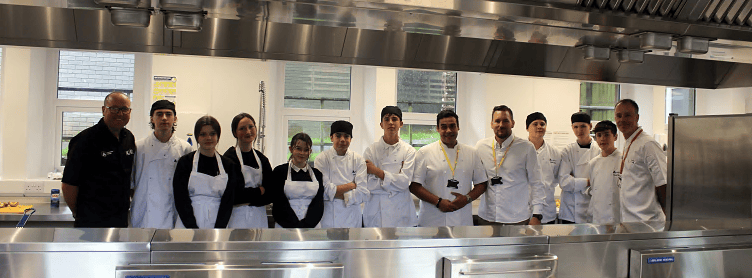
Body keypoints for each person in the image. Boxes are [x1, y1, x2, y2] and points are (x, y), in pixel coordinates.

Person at [62, 92, 136, 228]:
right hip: (91, 221)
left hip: (120, 219)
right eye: (114, 108)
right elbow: (68, 185)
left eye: (124, 109)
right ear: (104, 110)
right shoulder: (84, 140)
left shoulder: (129, 138)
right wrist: (80, 214)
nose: (120, 114)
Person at [410, 110, 487, 227]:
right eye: (443, 127)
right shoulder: (424, 153)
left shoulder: (472, 153)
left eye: (452, 126)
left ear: (458, 127)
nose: (448, 131)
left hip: (461, 219)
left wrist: (467, 199)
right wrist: (438, 202)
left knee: (461, 245)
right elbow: (414, 186)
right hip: (431, 219)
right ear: (437, 128)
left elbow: (482, 183)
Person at [475, 105, 545, 226]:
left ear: (512, 123)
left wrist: (537, 215)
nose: (501, 125)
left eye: (505, 121)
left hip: (516, 219)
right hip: (487, 217)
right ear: (491, 124)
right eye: (497, 121)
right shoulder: (481, 147)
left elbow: (537, 182)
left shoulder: (526, 148)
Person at [130, 100, 193, 228]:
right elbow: (131, 183)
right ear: (152, 119)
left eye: (168, 114)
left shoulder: (185, 148)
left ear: (175, 119)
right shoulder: (139, 147)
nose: (164, 118)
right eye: (159, 114)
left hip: (173, 211)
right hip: (145, 212)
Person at [173, 116, 244, 228]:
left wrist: (218, 229)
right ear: (197, 137)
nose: (208, 138)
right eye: (203, 134)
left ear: (218, 136)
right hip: (187, 222)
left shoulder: (228, 165)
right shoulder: (185, 162)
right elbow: (180, 198)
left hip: (218, 221)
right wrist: (192, 229)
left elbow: (228, 201)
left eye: (212, 134)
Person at [363, 106, 417, 227]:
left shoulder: (409, 151)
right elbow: (369, 184)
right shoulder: (371, 150)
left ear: (401, 123)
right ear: (381, 124)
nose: (391, 122)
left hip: (401, 212)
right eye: (386, 119)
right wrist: (396, 181)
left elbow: (404, 182)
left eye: (394, 119)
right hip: (376, 212)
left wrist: (376, 171)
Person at [614, 99, 667, 222]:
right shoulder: (629, 142)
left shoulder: (648, 144)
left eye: (627, 115)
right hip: (629, 220)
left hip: (647, 221)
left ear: (637, 117)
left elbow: (663, 184)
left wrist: (670, 222)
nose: (622, 120)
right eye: (618, 116)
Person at [314, 120, 370, 228]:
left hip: (352, 219)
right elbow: (324, 191)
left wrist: (335, 194)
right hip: (329, 219)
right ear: (331, 138)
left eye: (346, 136)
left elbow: (363, 193)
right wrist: (351, 186)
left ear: (350, 139)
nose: (342, 140)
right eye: (338, 136)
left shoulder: (358, 160)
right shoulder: (322, 159)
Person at [223, 113, 273, 229]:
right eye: (242, 128)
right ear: (235, 133)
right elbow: (233, 195)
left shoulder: (262, 159)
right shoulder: (229, 158)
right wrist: (259, 191)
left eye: (251, 127)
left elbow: (270, 193)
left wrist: (247, 198)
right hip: (236, 217)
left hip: (259, 216)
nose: (248, 131)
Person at [272, 133, 325, 228]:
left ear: (310, 151)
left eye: (306, 150)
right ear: (291, 149)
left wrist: (307, 225)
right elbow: (279, 202)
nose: (302, 153)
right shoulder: (279, 171)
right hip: (285, 225)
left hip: (312, 225)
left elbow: (318, 203)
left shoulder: (317, 174)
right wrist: (295, 225)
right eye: (298, 148)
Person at [558, 112, 601, 224]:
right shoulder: (567, 151)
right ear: (572, 128)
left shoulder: (599, 151)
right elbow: (564, 182)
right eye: (575, 127)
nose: (579, 130)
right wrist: (588, 181)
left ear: (590, 127)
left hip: (590, 208)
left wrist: (574, 181)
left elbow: (599, 183)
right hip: (570, 211)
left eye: (583, 126)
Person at [526, 112, 561, 224]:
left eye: (542, 124)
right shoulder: (520, 150)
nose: (539, 126)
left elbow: (555, 179)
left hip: (547, 212)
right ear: (527, 128)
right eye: (535, 124)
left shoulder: (554, 152)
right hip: (522, 211)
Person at [586, 121, 622, 224]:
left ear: (615, 137)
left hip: (617, 218)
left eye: (607, 134)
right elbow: (594, 193)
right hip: (598, 218)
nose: (602, 139)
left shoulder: (623, 161)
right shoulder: (593, 163)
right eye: (599, 135)